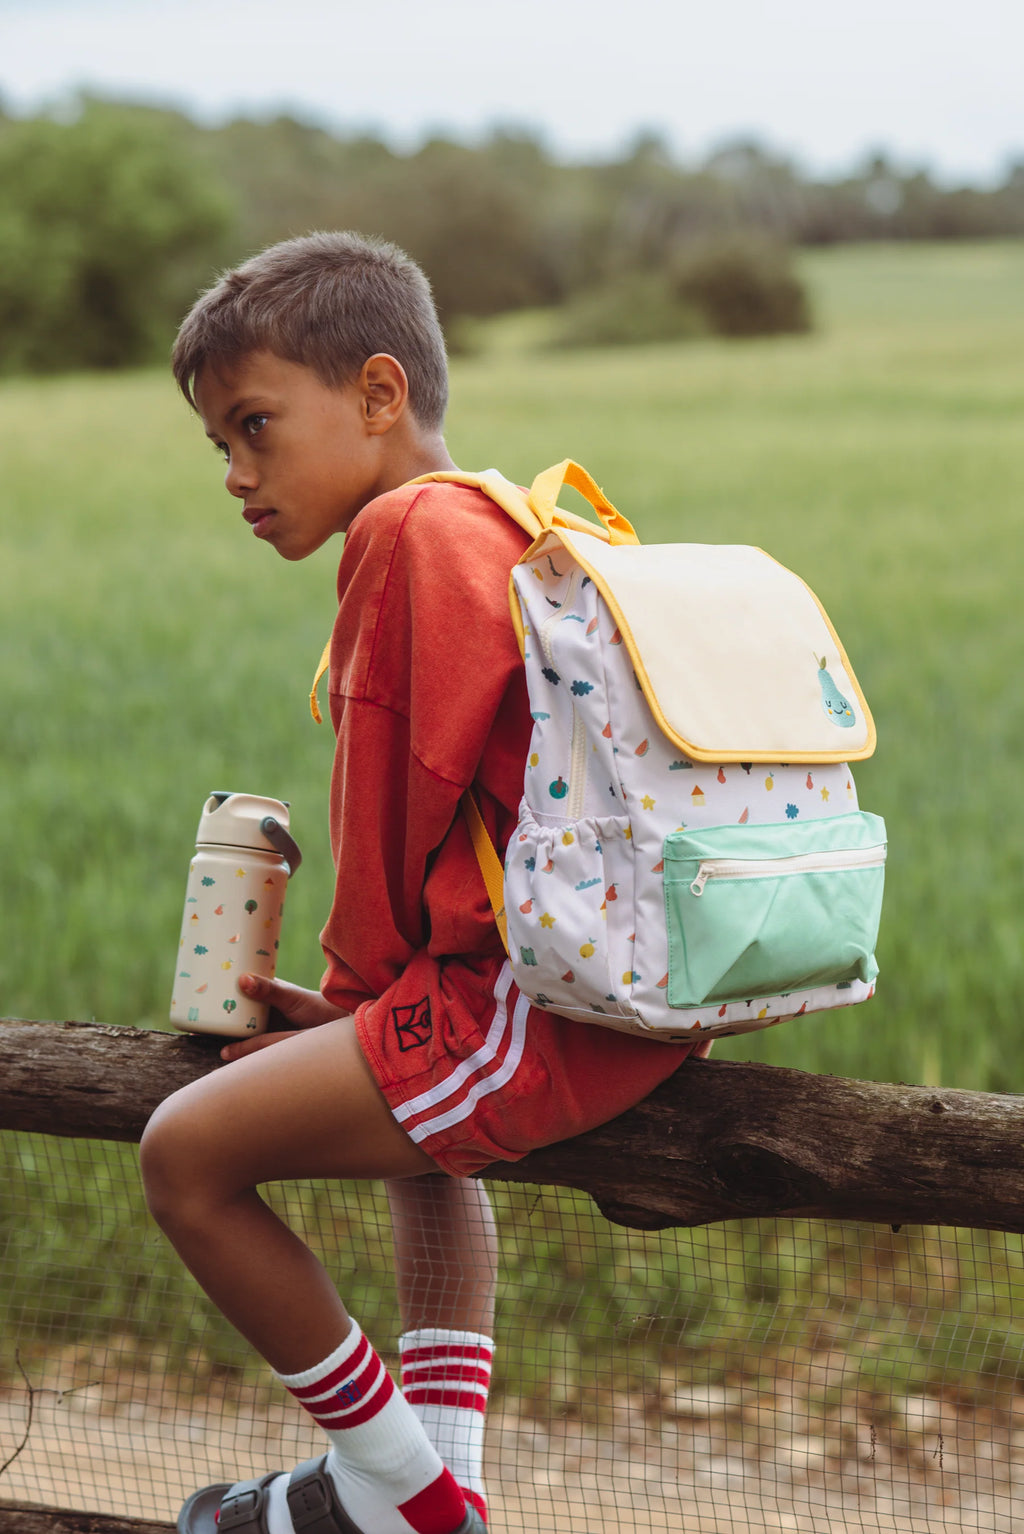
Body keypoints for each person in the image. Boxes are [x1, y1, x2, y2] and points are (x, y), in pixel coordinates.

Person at [140, 230, 708, 1534]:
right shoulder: (499, 515)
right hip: (592, 986)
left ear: (379, 394)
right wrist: (375, 1017)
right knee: (422, 1153)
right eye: (218, 443)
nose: (235, 474)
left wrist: (355, 1002)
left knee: (185, 1157)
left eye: (255, 426)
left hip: (529, 1011)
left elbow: (400, 800)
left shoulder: (402, 533)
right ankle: (445, 1482)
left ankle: (398, 1496)